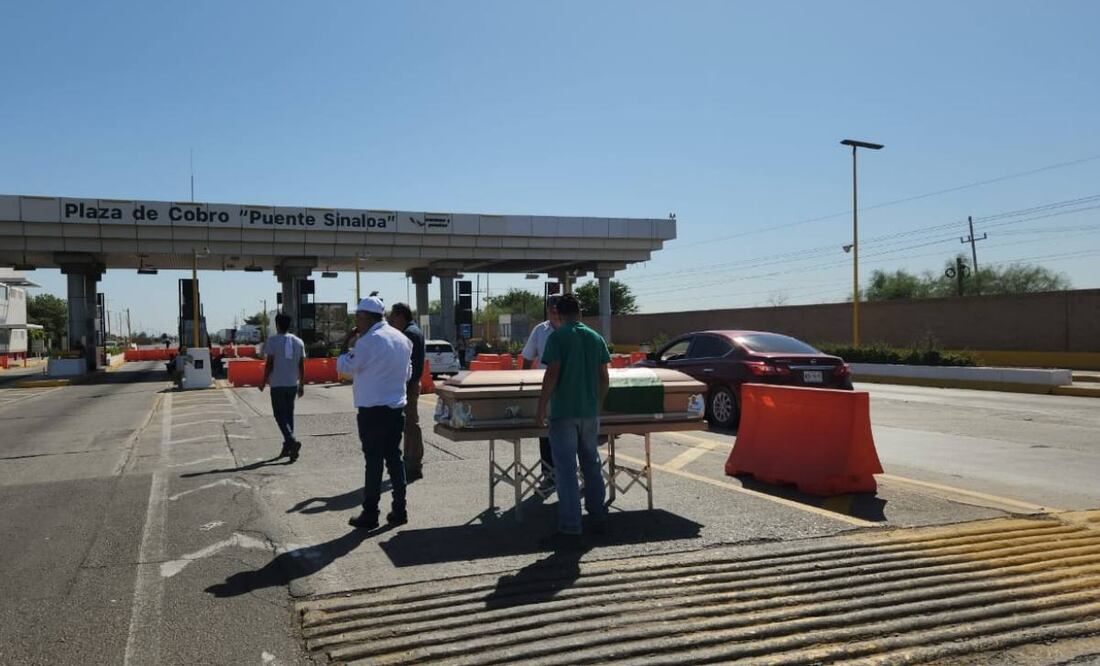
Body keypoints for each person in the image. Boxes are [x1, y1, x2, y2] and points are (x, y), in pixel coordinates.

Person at [535, 293, 611, 544]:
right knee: (591, 463)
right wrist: (597, 404)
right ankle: (598, 516)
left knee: (566, 470)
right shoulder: (595, 337)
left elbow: (552, 374)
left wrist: (541, 407)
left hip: (563, 412)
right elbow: (604, 376)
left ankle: (571, 525)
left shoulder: (558, 337)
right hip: (589, 412)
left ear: (558, 312)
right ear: (580, 312)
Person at [337, 296, 413, 530]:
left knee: (373, 463)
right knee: (395, 460)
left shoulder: (368, 341)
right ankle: (399, 510)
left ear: (365, 317)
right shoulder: (402, 339)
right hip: (395, 409)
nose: (355, 323)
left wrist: (346, 343)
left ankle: (370, 513)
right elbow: (408, 374)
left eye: (357, 318)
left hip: (372, 412)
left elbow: (344, 368)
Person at [521, 294, 562, 491]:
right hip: (545, 387)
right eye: (552, 310)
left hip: (568, 388)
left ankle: (571, 474)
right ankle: (549, 475)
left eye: (558, 309)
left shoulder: (573, 329)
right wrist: (524, 381)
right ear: (547, 310)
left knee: (569, 434)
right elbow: (528, 357)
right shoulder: (540, 330)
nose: (555, 313)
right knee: (545, 434)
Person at [258, 313, 305, 462]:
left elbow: (269, 364)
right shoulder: (298, 342)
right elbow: (301, 365)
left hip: (278, 384)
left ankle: (291, 441)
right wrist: (302, 384)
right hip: (292, 383)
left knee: (279, 416)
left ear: (277, 325)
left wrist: (263, 380)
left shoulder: (272, 341)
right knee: (289, 415)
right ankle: (289, 449)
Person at [387, 302, 426, 481]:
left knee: (411, 424)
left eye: (393, 316)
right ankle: (410, 462)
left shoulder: (409, 333)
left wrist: (405, 385)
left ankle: (413, 464)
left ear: (401, 315)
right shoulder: (412, 331)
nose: (391, 320)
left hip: (408, 386)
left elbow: (413, 366)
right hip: (409, 384)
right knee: (409, 425)